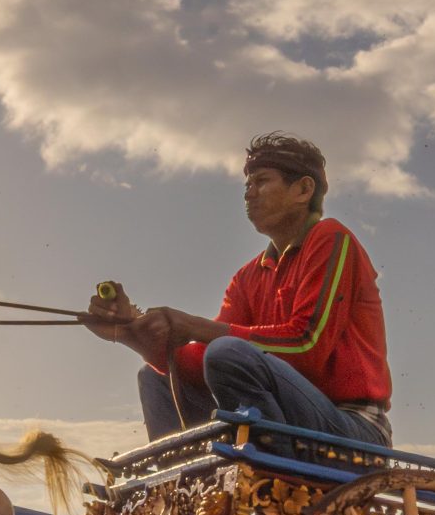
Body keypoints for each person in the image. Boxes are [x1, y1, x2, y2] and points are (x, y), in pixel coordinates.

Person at [85, 132, 393, 446]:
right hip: (292, 417)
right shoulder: (248, 277)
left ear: (303, 189)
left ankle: (265, 463)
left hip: (354, 427)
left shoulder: (331, 238)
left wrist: (192, 325)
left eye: (261, 182)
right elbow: (200, 365)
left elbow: (307, 346)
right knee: (154, 377)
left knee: (227, 351)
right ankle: (182, 477)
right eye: (247, 185)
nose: (249, 194)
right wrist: (127, 334)